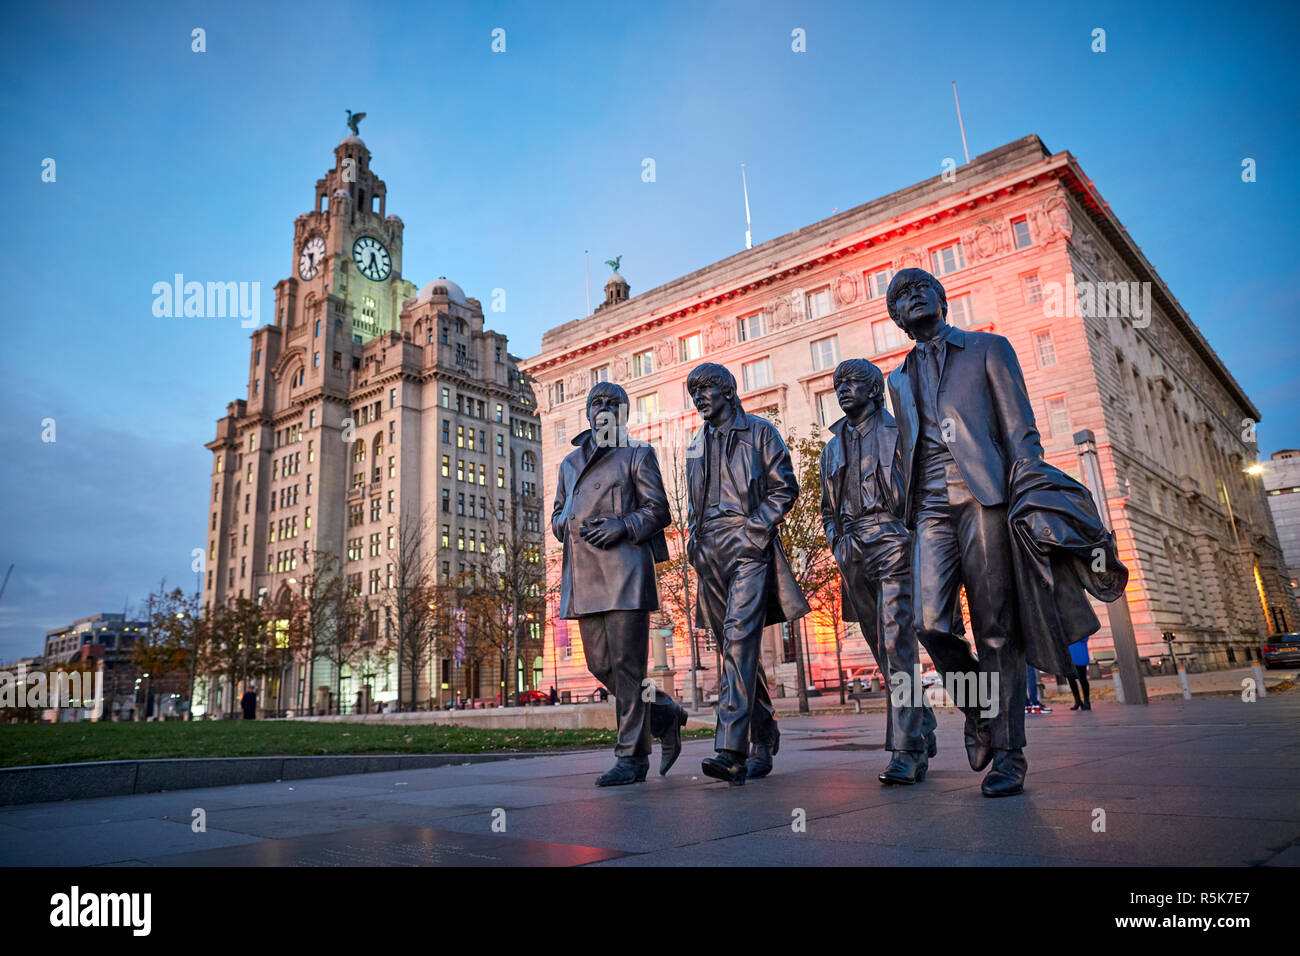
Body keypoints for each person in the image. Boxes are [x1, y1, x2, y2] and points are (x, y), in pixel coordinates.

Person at [885, 267, 1042, 797]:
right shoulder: (897, 378)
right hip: (929, 504)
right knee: (930, 623)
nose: (914, 295)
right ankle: (980, 710)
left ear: (942, 298)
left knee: (996, 624)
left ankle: (1008, 753)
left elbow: (1019, 430)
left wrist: (1030, 491)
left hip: (983, 494)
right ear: (897, 318)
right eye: (902, 294)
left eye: (922, 287)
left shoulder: (988, 349)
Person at [551, 381, 689, 786]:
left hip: (626, 570)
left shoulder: (637, 454)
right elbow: (558, 517)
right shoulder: (569, 464)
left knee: (628, 666)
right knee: (600, 665)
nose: (605, 408)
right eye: (597, 402)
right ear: (589, 411)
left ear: (624, 413)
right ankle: (664, 713)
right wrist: (570, 524)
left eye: (614, 403)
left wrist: (622, 525)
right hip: (584, 574)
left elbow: (658, 510)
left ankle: (631, 757)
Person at [685, 363, 810, 785]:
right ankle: (765, 731)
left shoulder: (759, 432)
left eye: (706, 389)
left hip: (748, 544)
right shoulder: (694, 447)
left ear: (728, 390)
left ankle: (730, 750)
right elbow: (692, 506)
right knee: (733, 648)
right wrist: (693, 543)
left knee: (739, 639)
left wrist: (753, 531)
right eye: (693, 392)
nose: (699, 397)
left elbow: (784, 487)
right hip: (710, 554)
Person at [820, 358, 936, 784]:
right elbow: (825, 509)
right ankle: (920, 722)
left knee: (896, 642)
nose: (842, 389)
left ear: (873, 390)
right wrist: (838, 541)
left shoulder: (899, 433)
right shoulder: (831, 448)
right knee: (880, 648)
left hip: (893, 538)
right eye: (837, 383)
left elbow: (922, 488)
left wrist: (908, 534)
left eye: (851, 382)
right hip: (852, 547)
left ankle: (906, 748)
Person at [1067, 637, 1092, 710]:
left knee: (1082, 679)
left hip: (1080, 653)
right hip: (1069, 654)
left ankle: (1087, 701)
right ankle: (1077, 701)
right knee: (1071, 680)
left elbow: (1085, 637)